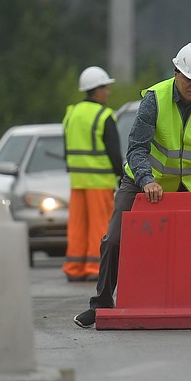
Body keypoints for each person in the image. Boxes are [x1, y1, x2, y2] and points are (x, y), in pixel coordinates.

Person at [73, 41, 191, 328]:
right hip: (142, 180)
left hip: (186, 184)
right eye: (190, 80)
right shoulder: (154, 99)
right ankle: (102, 304)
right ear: (177, 72)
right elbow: (136, 149)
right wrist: (147, 180)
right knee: (115, 239)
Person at [61, 65, 122, 281]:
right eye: (105, 87)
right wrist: (121, 174)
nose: (108, 92)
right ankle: (96, 268)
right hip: (99, 180)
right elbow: (114, 151)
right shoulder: (104, 115)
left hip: (77, 181)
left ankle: (74, 268)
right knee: (100, 225)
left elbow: (67, 146)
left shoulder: (72, 114)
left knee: (77, 225)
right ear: (96, 90)